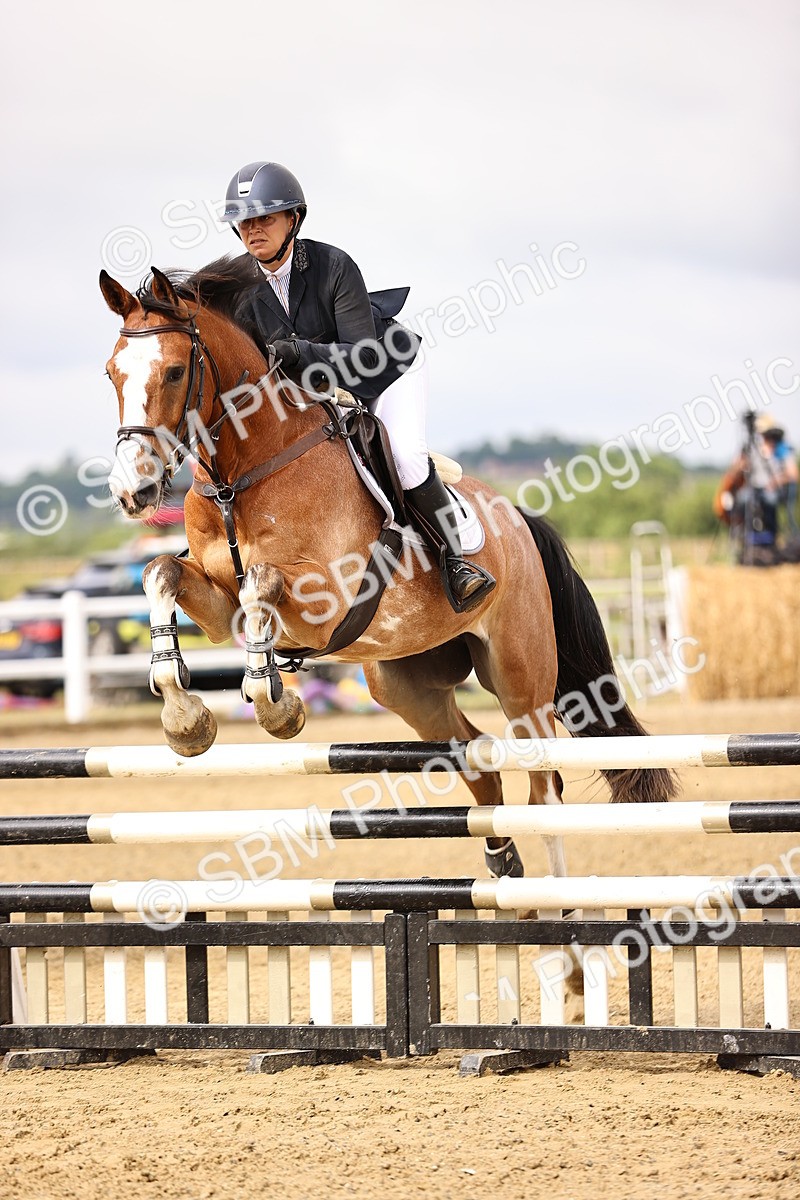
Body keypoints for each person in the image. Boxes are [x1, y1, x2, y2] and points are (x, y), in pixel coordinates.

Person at [219, 160, 495, 614]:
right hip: (321, 391)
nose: (253, 230)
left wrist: (301, 352)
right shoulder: (245, 295)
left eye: (265, 218)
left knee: (404, 457)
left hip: (386, 370)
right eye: (245, 222)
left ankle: (456, 563)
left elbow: (365, 359)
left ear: (294, 219)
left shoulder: (333, 265)